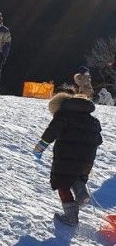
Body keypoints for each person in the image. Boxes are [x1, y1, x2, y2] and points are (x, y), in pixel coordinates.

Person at [33, 90, 103, 226]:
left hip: (67, 155)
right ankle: (81, 194)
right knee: (76, 177)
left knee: (62, 182)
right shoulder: (93, 120)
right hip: (87, 159)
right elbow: (99, 140)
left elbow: (51, 132)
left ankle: (71, 217)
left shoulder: (63, 115)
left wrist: (40, 147)